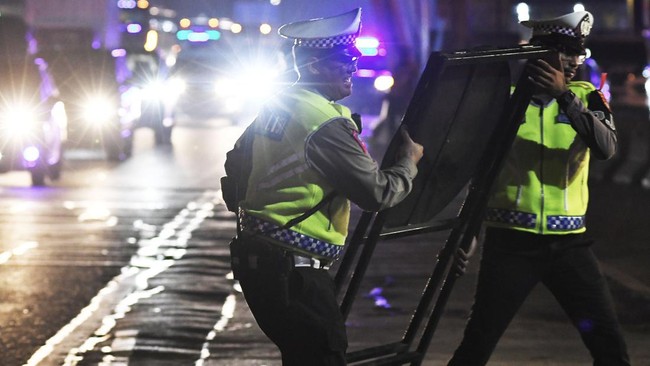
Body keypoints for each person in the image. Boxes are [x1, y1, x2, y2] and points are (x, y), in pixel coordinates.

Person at [224, 8, 424, 366]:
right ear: (315, 67)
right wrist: (408, 162)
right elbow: (377, 193)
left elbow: (234, 164)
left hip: (262, 262)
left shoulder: (279, 105)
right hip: (294, 273)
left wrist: (258, 211)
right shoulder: (325, 122)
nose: (354, 65)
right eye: (346, 58)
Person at [448, 11, 630, 366]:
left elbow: (606, 148)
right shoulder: (506, 102)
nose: (574, 60)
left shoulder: (587, 98)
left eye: (578, 52)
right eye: (565, 52)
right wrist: (466, 232)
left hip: (570, 246)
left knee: (611, 349)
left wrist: (565, 98)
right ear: (540, 54)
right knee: (476, 347)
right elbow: (482, 173)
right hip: (509, 244)